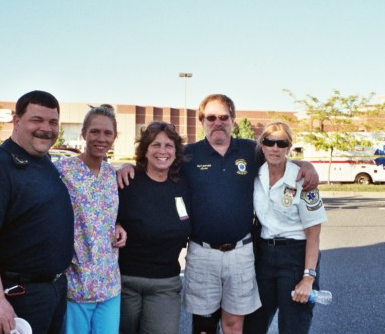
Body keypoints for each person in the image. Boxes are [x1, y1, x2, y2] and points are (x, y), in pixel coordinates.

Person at [118, 94, 319, 334]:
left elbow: (278, 156)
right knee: (204, 326)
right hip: (202, 253)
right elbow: (155, 163)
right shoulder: (188, 154)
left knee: (234, 325)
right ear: (202, 121)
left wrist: (306, 165)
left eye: (224, 117)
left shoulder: (250, 150)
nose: (218, 122)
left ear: (233, 120)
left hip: (241, 253)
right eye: (211, 117)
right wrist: (127, 167)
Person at [0, 90, 74, 334]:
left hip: (50, 291)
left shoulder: (42, 161)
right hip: (15, 294)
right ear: (17, 121)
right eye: (37, 120)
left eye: (53, 122)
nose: (46, 128)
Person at [243, 121, 328, 334]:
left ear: (289, 147)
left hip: (295, 257)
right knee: (253, 325)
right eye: (270, 142)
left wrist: (308, 277)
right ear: (262, 145)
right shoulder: (255, 175)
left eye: (282, 143)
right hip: (263, 257)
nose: (275, 148)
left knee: (293, 326)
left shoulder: (303, 179)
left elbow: (314, 234)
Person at [54, 105, 126, 334]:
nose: (101, 138)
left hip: (109, 283)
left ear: (115, 136)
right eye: (95, 132)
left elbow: (111, 214)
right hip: (76, 283)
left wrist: (118, 224)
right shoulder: (62, 170)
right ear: (84, 133)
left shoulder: (112, 174)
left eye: (108, 133)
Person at [117, 121, 191, 334]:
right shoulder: (126, 181)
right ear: (145, 150)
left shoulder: (183, 185)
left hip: (165, 283)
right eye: (155, 145)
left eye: (168, 146)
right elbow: (105, 215)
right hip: (125, 281)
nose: (162, 151)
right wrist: (116, 223)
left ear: (175, 152)